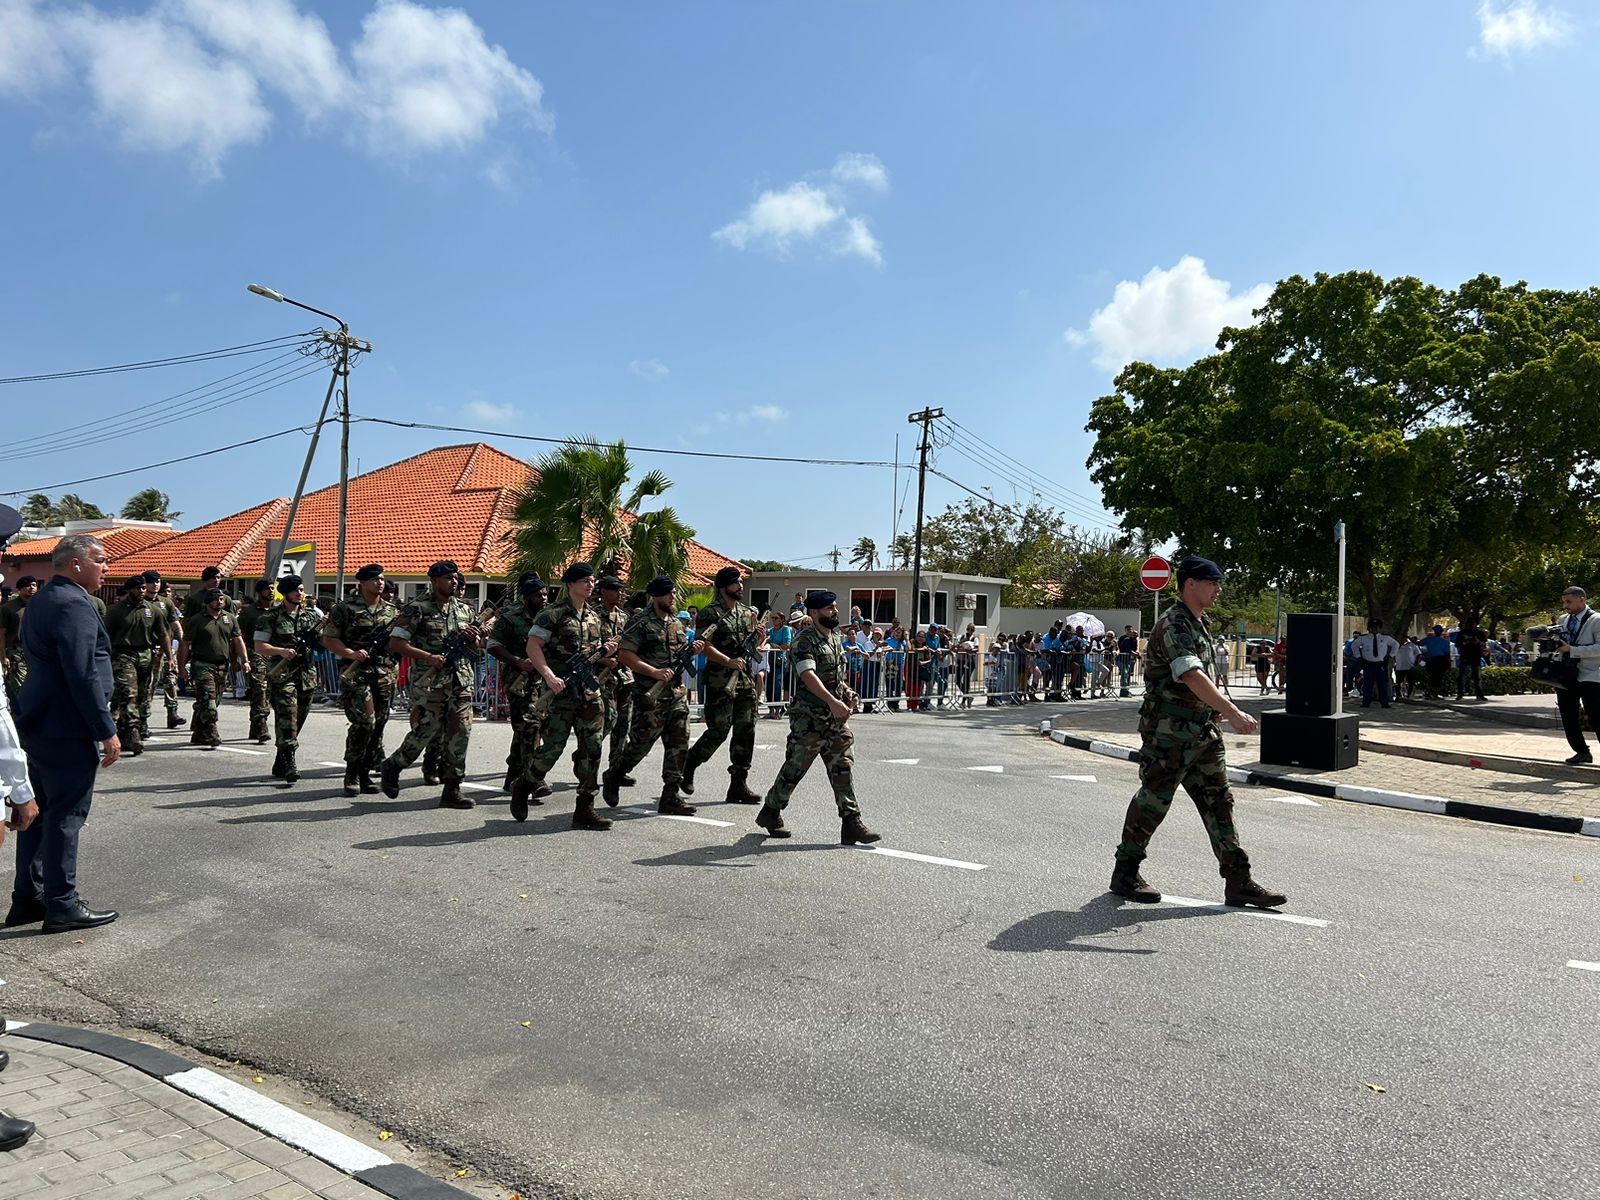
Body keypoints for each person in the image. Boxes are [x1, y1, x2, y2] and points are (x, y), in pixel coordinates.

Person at [1109, 556, 1285, 910]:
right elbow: (1191, 675)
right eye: (1213, 582)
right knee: (1154, 801)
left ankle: (1238, 881)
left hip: (1201, 733)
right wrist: (1231, 711)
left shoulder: (1198, 623)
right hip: (1169, 734)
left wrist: (1210, 711)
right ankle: (1125, 872)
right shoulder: (1173, 624)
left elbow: (1197, 683)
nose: (1218, 589)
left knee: (1219, 802)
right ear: (1191, 583)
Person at [7, 533, 121, 934]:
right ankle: (62, 904)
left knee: (36, 813)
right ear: (77, 564)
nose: (106, 568)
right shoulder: (74, 604)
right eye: (101, 560)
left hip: (39, 720)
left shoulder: (41, 601)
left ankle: (29, 898)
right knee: (66, 815)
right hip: (66, 725)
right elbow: (82, 671)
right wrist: (105, 729)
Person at [753, 591, 880, 844]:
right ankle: (770, 811)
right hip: (809, 718)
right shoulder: (804, 641)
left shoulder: (834, 639)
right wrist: (833, 702)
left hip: (835, 720)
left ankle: (851, 822)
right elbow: (808, 676)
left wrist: (846, 693)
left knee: (842, 767)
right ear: (814, 612)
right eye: (829, 608)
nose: (835, 611)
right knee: (795, 768)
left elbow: (836, 678)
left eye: (834, 607)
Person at [379, 561, 483, 809]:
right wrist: (428, 657)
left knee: (461, 733)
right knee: (427, 730)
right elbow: (396, 643)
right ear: (434, 580)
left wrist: (473, 640)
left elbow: (476, 647)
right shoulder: (418, 609)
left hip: (460, 681)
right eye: (448, 578)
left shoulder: (465, 610)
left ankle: (452, 788)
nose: (454, 582)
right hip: (430, 683)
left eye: (455, 577)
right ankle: (394, 764)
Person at [522, 563, 615, 829]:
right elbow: (533, 646)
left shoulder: (595, 617)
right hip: (561, 692)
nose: (590, 584)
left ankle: (585, 807)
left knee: (593, 748)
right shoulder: (552, 614)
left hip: (589, 693)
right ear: (571, 584)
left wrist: (606, 650)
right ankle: (526, 783)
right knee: (552, 748)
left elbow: (596, 651)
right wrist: (549, 675)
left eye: (592, 580)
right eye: (585, 580)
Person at [603, 575, 702, 814]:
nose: (673, 597)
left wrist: (694, 649)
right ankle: (614, 774)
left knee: (679, 744)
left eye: (674, 594)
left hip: (676, 695)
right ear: (657, 596)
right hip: (650, 695)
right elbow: (626, 654)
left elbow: (677, 655)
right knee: (640, 745)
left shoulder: (677, 623)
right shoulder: (641, 622)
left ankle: (670, 795)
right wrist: (654, 672)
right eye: (669, 594)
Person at [683, 566, 766, 803]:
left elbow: (752, 645)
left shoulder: (746, 612)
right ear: (723, 586)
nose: (740, 586)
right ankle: (690, 764)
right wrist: (727, 661)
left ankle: (738, 783)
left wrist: (759, 637)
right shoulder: (711, 613)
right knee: (718, 730)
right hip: (721, 679)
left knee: (745, 730)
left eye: (741, 582)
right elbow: (703, 643)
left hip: (744, 679)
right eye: (736, 582)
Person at [321, 564, 400, 796]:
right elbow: (329, 638)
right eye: (374, 579)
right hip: (356, 674)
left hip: (385, 674)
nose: (380, 583)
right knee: (365, 723)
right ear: (362, 584)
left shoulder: (392, 612)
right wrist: (350, 653)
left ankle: (365, 773)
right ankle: (352, 772)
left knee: (379, 725)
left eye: (382, 579)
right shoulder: (345, 609)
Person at [253, 576, 324, 785]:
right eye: (295, 590)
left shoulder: (311, 617)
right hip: (283, 675)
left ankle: (281, 756)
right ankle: (290, 762)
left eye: (301, 590)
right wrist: (282, 651)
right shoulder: (270, 617)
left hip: (307, 675)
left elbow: (322, 643)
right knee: (287, 717)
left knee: (298, 718)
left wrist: (319, 639)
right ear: (285, 593)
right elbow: (259, 646)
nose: (300, 594)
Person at [490, 572, 548, 815]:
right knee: (529, 728)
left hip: (542, 681)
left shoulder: (548, 618)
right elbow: (493, 645)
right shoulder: (511, 617)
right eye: (538, 595)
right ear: (527, 597)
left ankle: (513, 775)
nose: (544, 598)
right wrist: (517, 662)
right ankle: (533, 781)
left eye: (546, 593)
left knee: (527, 730)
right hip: (519, 681)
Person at [176, 588, 248, 749]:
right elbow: (185, 644)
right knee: (209, 700)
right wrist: (181, 667)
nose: (219, 602)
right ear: (208, 602)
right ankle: (211, 733)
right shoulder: (197, 620)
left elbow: (237, 641)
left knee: (214, 700)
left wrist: (244, 660)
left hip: (222, 665)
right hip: (202, 665)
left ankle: (199, 731)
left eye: (221, 599)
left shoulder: (230, 619)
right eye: (216, 599)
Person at [104, 576, 161, 756]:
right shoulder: (115, 611)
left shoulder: (152, 610)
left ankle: (124, 733)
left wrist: (170, 657)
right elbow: (105, 637)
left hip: (145, 654)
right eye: (138, 588)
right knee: (129, 693)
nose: (142, 591)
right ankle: (134, 732)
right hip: (123, 655)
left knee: (143, 695)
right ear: (129, 590)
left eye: (143, 588)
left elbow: (164, 634)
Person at [594, 576, 636, 789]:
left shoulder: (624, 616)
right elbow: (586, 647)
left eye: (622, 590)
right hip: (602, 677)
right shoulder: (593, 615)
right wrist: (603, 659)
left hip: (624, 675)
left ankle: (616, 768)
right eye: (616, 590)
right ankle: (586, 755)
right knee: (608, 720)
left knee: (623, 723)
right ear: (603, 591)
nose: (621, 594)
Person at [1553, 586, 1600, 765]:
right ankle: (1581, 752)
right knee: (1568, 715)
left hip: (1592, 675)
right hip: (1566, 675)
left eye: (1569, 602)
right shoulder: (1563, 620)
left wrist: (1573, 650)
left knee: (1596, 716)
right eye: (1564, 602)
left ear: (1582, 600)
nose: (1566, 606)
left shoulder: (1596, 620)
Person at [144, 573, 186, 734]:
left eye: (157, 582)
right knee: (149, 684)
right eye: (151, 582)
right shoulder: (142, 603)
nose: (155, 585)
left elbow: (175, 625)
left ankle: (172, 713)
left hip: (167, 649)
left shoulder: (166, 603)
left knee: (171, 680)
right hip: (150, 648)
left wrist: (182, 643)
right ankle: (143, 718)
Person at [237, 579, 277, 742]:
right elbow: (239, 636)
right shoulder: (249, 612)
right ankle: (261, 726)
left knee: (268, 692)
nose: (271, 591)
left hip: (275, 655)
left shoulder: (278, 611)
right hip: (256, 654)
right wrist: (243, 657)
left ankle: (255, 727)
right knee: (260, 688)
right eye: (267, 589)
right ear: (259, 592)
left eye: (272, 588)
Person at [0, 575, 38, 710]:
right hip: (16, 650)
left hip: (35, 649)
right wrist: (3, 655)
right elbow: (2, 633)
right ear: (20, 589)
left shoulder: (39, 605)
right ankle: (20, 713)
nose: (32, 588)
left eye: (34, 585)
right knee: (20, 685)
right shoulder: (8, 608)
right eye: (28, 586)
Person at [1355, 618, 1399, 709]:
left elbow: (1396, 645)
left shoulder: (1385, 638)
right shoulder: (1363, 638)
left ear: (1380, 629)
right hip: (1368, 664)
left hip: (1380, 664)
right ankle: (1366, 702)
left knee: (1382, 685)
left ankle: (1384, 703)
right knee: (1367, 685)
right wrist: (1359, 657)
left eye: (1377, 627)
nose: (1374, 629)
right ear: (1368, 628)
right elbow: (1354, 646)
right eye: (1372, 627)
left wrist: (1390, 655)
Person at [1455, 623, 1488, 701]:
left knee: (1477, 677)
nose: (1472, 626)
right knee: (1462, 676)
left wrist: (1478, 642)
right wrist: (1467, 642)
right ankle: (1460, 694)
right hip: (1465, 655)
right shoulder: (1462, 633)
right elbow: (1458, 643)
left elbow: (1484, 642)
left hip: (1476, 656)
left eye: (1473, 624)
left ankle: (1479, 694)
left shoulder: (1479, 633)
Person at [1419, 624, 1452, 699]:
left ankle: (1430, 693)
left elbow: (1418, 643)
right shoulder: (1445, 642)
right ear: (1441, 632)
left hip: (1431, 660)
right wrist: (1449, 664)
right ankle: (1435, 694)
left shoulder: (1429, 639)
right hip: (1440, 660)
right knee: (1439, 677)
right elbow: (1447, 654)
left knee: (1432, 677)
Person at [1117, 625, 1139, 697]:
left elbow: (1134, 650)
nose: (1135, 636)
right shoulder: (1126, 639)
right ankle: (1123, 692)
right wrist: (1136, 654)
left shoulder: (1134, 641)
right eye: (1134, 635)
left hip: (1128, 660)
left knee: (1128, 676)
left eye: (1136, 635)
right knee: (1124, 675)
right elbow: (1128, 650)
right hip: (1121, 659)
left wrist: (1136, 653)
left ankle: (1126, 690)